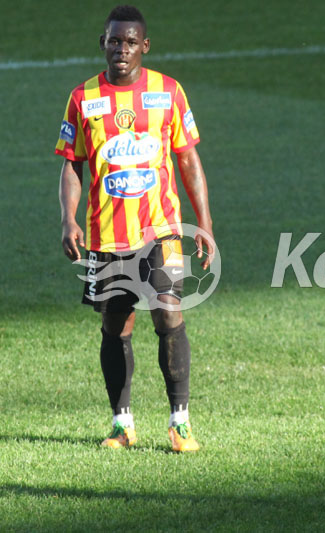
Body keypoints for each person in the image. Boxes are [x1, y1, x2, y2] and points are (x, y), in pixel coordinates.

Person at [56, 5, 215, 452]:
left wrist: (204, 225)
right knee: (116, 327)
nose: (121, 49)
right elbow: (72, 165)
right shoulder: (83, 97)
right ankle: (122, 424)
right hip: (106, 237)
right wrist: (68, 219)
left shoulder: (169, 92)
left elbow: (188, 160)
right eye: (114, 40)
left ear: (144, 46)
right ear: (102, 43)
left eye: (130, 42)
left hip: (159, 231)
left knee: (169, 314)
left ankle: (180, 422)